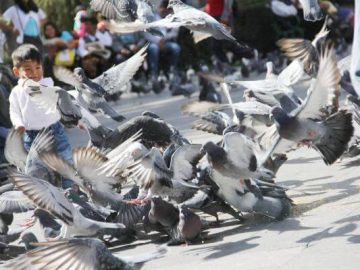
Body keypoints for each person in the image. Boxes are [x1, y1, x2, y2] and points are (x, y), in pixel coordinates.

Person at [9, 44, 73, 188]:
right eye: (28, 69)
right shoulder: (16, 92)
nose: (35, 73)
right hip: (32, 136)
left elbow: (52, 96)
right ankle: (46, 195)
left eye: (38, 68)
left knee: (65, 160)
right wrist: (18, 124)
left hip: (55, 130)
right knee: (37, 169)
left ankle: (72, 189)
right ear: (16, 72)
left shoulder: (47, 83)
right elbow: (14, 111)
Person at [144, 1, 181, 85]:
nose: (165, 12)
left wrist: (163, 40)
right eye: (164, 10)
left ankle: (171, 71)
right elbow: (147, 34)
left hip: (164, 42)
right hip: (152, 43)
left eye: (167, 11)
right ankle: (154, 74)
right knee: (154, 49)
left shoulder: (168, 18)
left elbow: (173, 33)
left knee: (176, 48)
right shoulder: (151, 18)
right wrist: (158, 41)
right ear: (160, 9)